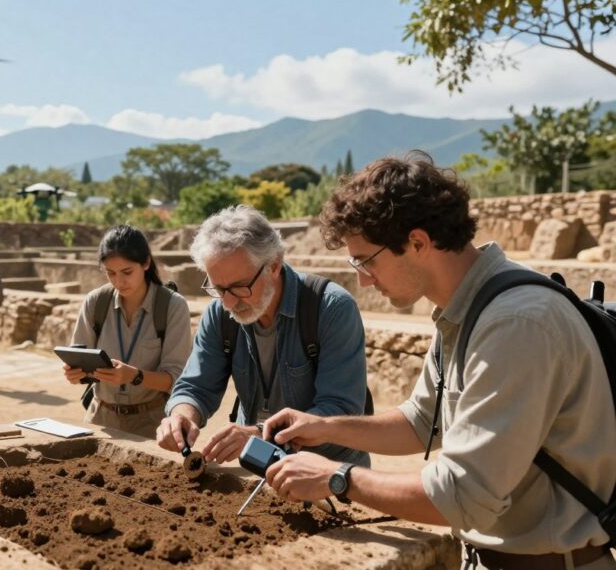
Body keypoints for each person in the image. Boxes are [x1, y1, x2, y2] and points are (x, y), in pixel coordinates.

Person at [263, 152, 616, 570]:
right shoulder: (468, 307)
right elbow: (421, 421)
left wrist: (336, 478)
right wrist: (325, 427)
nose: (362, 278)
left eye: (365, 260)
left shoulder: (515, 323)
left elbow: (463, 496)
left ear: (417, 242)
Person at [157, 205, 370, 466]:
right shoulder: (219, 314)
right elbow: (195, 386)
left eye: (239, 287)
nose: (228, 302)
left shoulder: (330, 308)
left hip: (328, 473)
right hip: (257, 468)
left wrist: (258, 434)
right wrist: (182, 414)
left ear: (274, 266)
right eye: (218, 288)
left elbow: (340, 410)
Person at [65, 225, 192, 438]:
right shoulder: (96, 302)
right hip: (100, 420)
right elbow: (80, 364)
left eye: (127, 272)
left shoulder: (173, 306)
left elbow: (176, 379)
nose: (118, 282)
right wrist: (74, 374)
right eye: (110, 273)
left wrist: (134, 376)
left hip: (153, 423)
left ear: (146, 263)